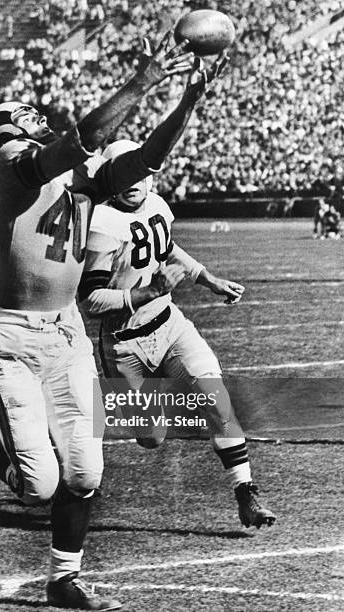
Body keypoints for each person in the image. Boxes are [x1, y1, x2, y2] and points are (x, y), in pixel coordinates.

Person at [0, 33, 227, 610]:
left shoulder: (78, 178)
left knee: (83, 472)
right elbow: (87, 138)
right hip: (14, 339)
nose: (26, 133)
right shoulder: (16, 171)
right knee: (35, 486)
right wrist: (146, 79)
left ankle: (63, 579)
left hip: (68, 334)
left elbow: (146, 159)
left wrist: (187, 102)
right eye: (16, 129)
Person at [79, 139, 276, 530]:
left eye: (139, 172)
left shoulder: (157, 207)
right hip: (124, 344)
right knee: (151, 436)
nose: (132, 181)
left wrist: (208, 279)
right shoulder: (101, 223)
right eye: (123, 174)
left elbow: (169, 250)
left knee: (215, 395)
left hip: (170, 326)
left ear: (151, 175)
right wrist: (147, 291)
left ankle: (245, 493)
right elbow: (92, 300)